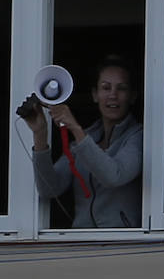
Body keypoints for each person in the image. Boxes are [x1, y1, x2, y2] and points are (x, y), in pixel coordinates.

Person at [20, 56, 143, 229]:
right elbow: (50, 189)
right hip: (83, 239)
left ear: (132, 96)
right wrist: (40, 133)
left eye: (121, 88)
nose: (113, 95)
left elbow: (114, 175)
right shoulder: (87, 138)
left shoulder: (138, 136)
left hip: (123, 241)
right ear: (95, 95)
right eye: (105, 88)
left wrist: (76, 129)